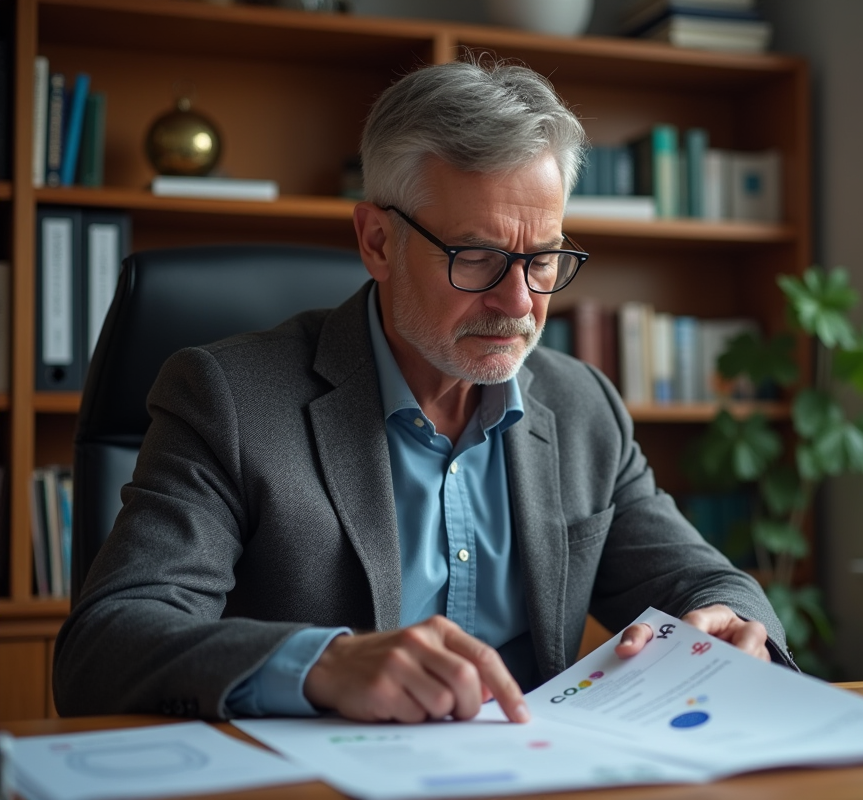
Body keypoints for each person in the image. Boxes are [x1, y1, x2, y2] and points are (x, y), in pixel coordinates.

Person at [54, 58, 796, 724]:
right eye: (476, 257)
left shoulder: (583, 407)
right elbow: (106, 644)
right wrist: (323, 664)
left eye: (542, 259)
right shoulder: (228, 399)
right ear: (377, 242)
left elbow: (706, 580)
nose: (519, 302)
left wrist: (726, 620)